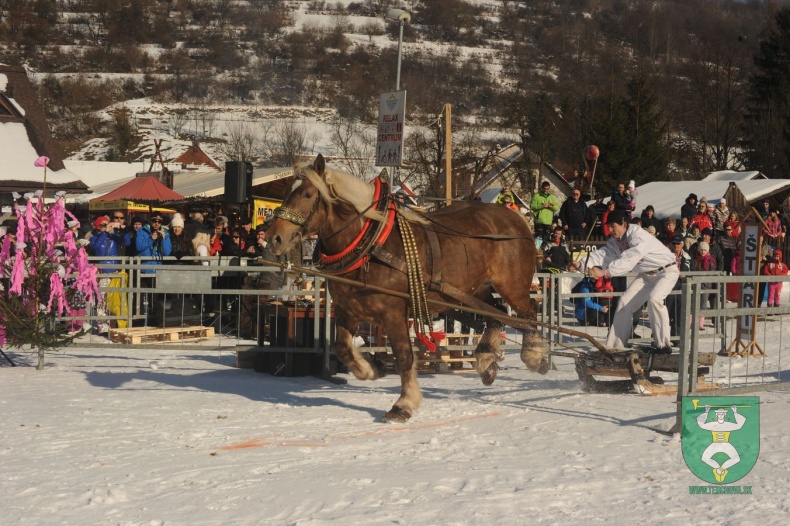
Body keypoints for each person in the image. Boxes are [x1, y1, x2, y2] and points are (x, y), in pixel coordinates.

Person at [579, 209, 679, 354]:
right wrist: (583, 264)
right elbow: (604, 254)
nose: (611, 230)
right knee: (624, 302)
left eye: (613, 226)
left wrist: (606, 272)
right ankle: (615, 346)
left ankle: (663, 345)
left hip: (667, 271)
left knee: (654, 300)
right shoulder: (615, 241)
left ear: (624, 224)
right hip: (646, 275)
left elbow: (630, 257)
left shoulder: (636, 234)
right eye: (609, 227)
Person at [666, 235, 692, 337]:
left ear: (682, 244)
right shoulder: (667, 256)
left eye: (678, 243)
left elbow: (693, 270)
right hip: (669, 286)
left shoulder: (687, 257)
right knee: (665, 313)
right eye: (674, 243)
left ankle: (676, 337)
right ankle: (658, 338)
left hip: (682, 286)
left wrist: (686, 276)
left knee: (680, 313)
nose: (676, 246)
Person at [694, 241, 718, 330]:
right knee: (694, 304)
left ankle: (701, 323)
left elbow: (711, 274)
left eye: (704, 250)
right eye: (701, 250)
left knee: (703, 304)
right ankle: (692, 321)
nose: (702, 252)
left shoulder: (710, 261)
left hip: (706, 286)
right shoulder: (695, 260)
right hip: (696, 285)